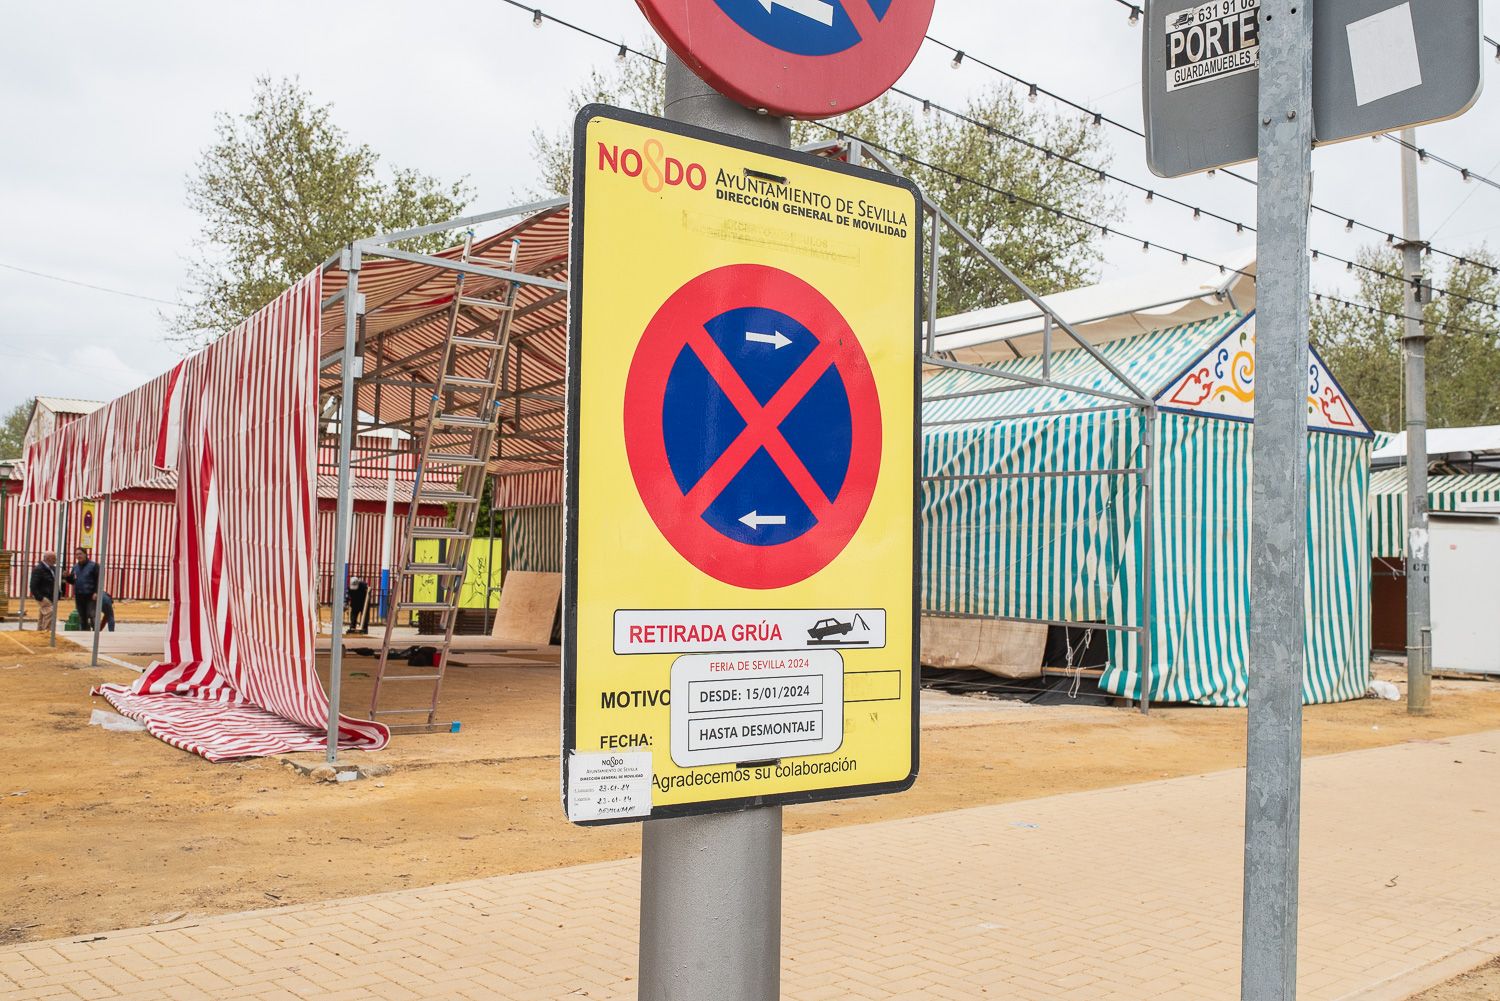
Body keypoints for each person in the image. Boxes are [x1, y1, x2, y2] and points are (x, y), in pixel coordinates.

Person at [63, 547, 99, 631]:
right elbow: (73, 581)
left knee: (92, 614)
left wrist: (96, 592)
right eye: (76, 554)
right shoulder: (75, 567)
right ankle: (85, 633)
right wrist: (67, 577)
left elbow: (98, 580)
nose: (78, 556)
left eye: (80, 554)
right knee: (82, 616)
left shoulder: (94, 565)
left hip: (90, 595)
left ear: (85, 554)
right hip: (79, 595)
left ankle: (96, 633)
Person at [28, 551, 58, 632]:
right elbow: (33, 585)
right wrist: (40, 597)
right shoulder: (39, 569)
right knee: (50, 611)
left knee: (43, 612)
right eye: (54, 558)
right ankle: (47, 631)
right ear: (48, 558)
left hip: (49, 595)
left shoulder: (52, 568)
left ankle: (40, 630)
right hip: (43, 596)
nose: (56, 560)